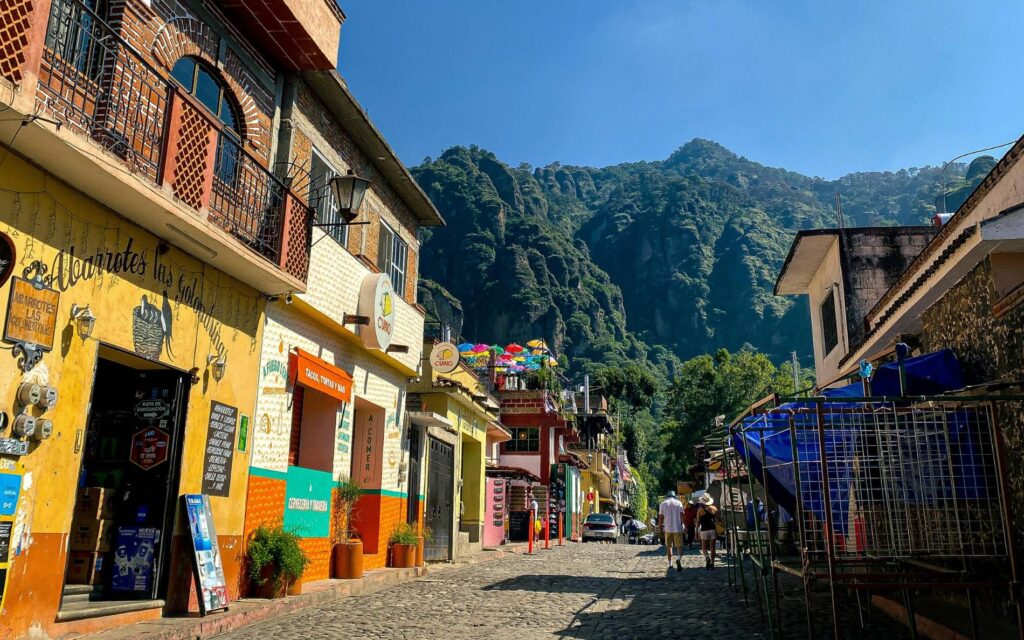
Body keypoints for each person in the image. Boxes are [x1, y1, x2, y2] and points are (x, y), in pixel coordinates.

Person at [657, 490, 685, 572]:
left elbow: (661, 517)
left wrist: (660, 527)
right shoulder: (679, 503)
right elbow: (682, 516)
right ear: (674, 496)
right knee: (679, 546)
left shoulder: (663, 504)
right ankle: (679, 559)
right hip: (678, 528)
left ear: (667, 496)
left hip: (668, 528)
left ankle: (670, 565)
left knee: (669, 546)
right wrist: (685, 526)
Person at [696, 493, 719, 569]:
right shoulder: (714, 508)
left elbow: (698, 522)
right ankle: (712, 563)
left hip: (704, 529)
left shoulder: (700, 510)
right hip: (712, 529)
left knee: (704, 547)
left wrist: (696, 531)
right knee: (713, 547)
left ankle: (707, 557)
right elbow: (717, 520)